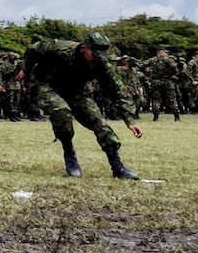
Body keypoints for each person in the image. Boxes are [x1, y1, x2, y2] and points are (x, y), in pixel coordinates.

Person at [20, 32, 143, 179]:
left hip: (75, 90)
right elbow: (33, 49)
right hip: (46, 84)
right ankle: (69, 154)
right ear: (84, 48)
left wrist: (130, 120)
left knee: (99, 122)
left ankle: (118, 167)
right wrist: (25, 71)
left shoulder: (102, 63)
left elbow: (117, 90)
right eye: (95, 53)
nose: (99, 57)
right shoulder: (60, 48)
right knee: (61, 111)